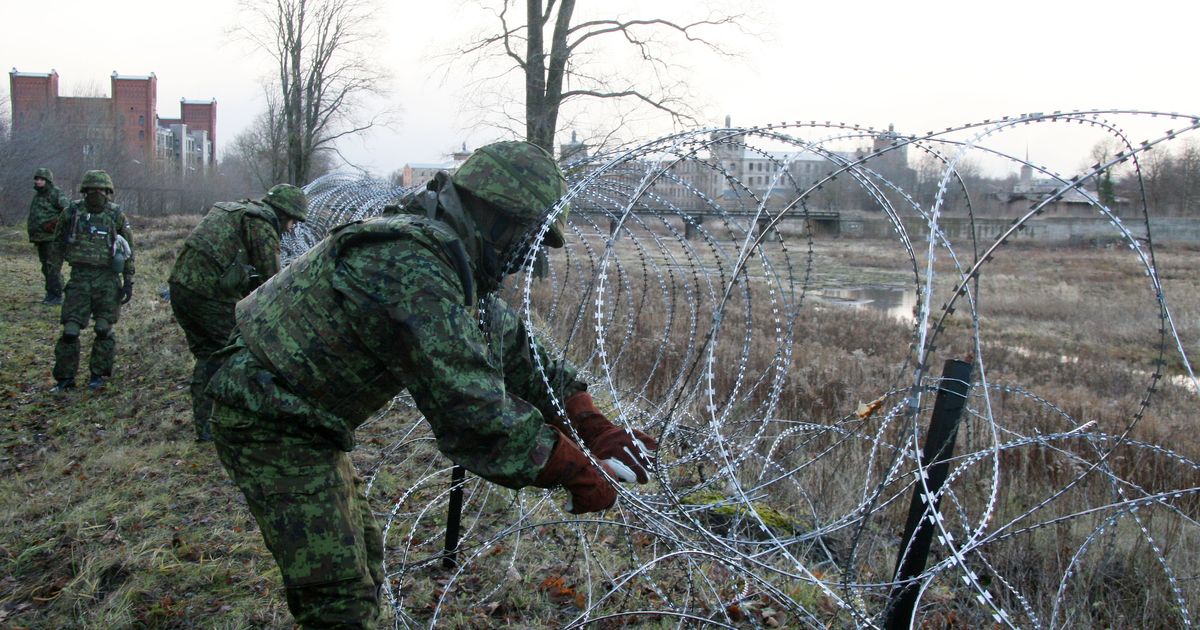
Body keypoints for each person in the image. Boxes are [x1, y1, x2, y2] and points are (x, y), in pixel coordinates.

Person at [206, 141, 658, 627]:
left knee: (362, 563)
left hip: (302, 415)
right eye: (530, 236)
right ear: (498, 217)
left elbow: (517, 351)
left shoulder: (447, 254)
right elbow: (472, 411)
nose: (527, 256)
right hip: (268, 417)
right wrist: (573, 467)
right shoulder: (413, 264)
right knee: (339, 596)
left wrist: (591, 423)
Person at [168, 184, 308, 441]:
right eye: (292, 222)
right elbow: (271, 284)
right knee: (233, 354)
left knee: (208, 355)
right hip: (208, 295)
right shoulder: (262, 225)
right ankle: (227, 423)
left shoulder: (238, 210)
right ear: (283, 213)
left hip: (181, 288)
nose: (291, 229)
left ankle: (207, 426)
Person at [51, 170, 135, 392]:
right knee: (70, 330)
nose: (96, 194)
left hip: (107, 279)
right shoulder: (73, 212)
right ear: (84, 191)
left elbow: (128, 250)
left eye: (100, 190)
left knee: (103, 328)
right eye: (91, 190)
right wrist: (54, 276)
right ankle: (65, 378)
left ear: (108, 192)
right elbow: (58, 244)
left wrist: (128, 280)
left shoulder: (115, 215)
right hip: (79, 277)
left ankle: (98, 375)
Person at [26, 167, 71, 305]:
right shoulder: (38, 196)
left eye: (41, 179)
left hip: (52, 238)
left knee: (52, 267)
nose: (38, 181)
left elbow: (68, 211)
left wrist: (55, 224)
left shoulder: (55, 193)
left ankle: (56, 295)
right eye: (37, 179)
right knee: (45, 267)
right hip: (40, 238)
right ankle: (51, 293)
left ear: (48, 180)